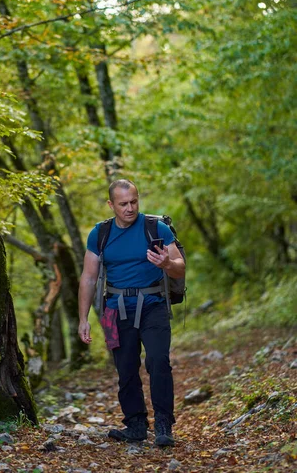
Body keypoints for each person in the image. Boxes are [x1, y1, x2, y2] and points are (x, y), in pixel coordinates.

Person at [78, 179, 185, 447]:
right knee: (125, 369)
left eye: (134, 201)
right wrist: (83, 319)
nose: (130, 208)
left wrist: (167, 262)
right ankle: (136, 425)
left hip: (153, 303)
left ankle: (163, 424)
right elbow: (89, 278)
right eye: (123, 203)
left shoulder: (156, 228)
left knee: (158, 361)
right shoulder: (99, 234)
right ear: (111, 204)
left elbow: (180, 268)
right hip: (113, 310)